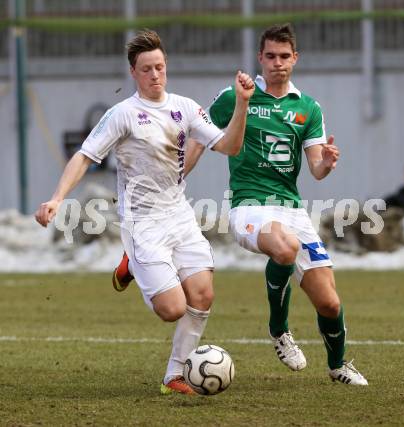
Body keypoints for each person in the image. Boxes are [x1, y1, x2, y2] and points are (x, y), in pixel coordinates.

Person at [35, 29, 255, 395]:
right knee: (172, 309)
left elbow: (230, 146)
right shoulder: (123, 114)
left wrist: (243, 103)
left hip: (179, 215)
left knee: (202, 296)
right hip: (143, 223)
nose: (156, 74)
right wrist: (58, 198)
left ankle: (175, 374)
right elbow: (85, 156)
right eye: (147, 69)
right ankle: (133, 263)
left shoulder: (186, 108)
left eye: (160, 67)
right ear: (133, 73)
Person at [207, 23, 367, 385]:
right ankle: (279, 329)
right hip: (248, 206)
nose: (277, 63)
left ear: (295, 59)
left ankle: (338, 364)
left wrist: (326, 162)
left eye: (284, 56)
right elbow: (199, 132)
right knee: (284, 246)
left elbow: (316, 169)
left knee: (329, 303)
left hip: (291, 210)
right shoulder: (236, 96)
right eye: (270, 56)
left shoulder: (308, 108)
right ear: (260, 59)